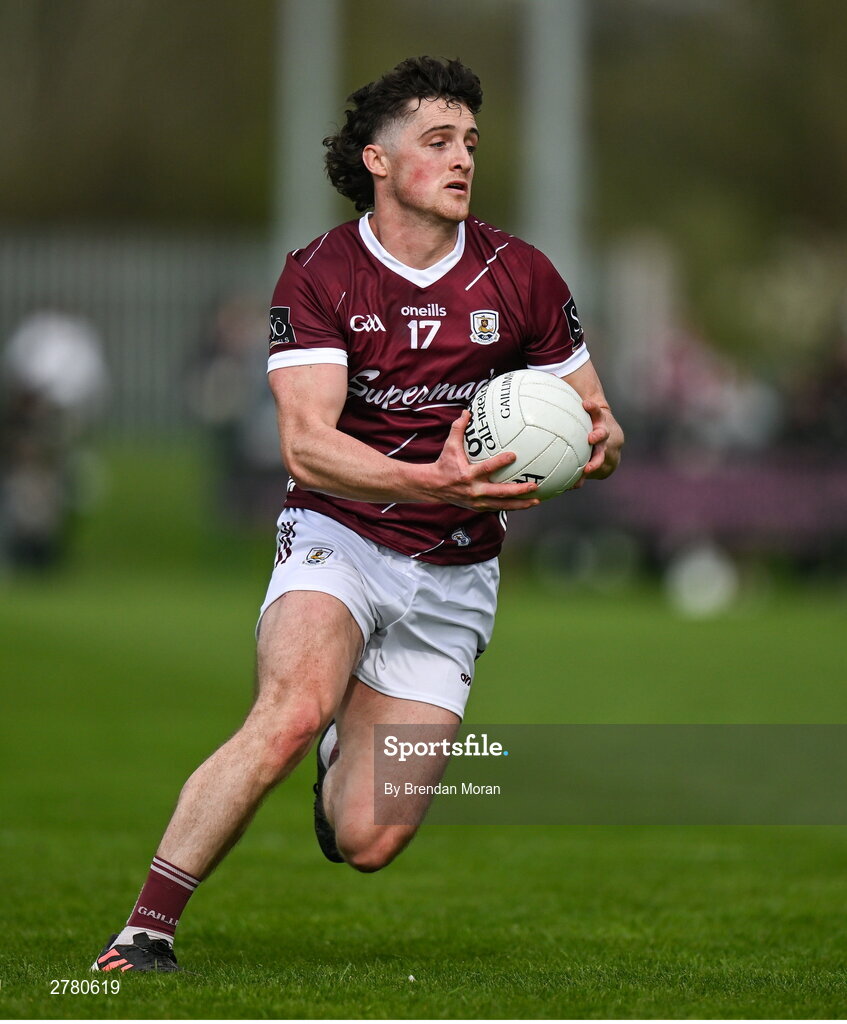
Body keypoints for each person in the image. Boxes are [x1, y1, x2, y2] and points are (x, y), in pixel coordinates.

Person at [92, 55, 624, 974]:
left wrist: (591, 445)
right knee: (291, 707)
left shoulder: (521, 275)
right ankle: (144, 932)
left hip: (457, 572)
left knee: (367, 838)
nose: (463, 159)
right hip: (339, 536)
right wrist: (435, 481)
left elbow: (597, 421)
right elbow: (306, 445)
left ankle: (347, 746)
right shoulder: (322, 274)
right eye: (438, 141)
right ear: (377, 160)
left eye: (469, 143)